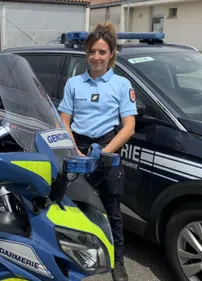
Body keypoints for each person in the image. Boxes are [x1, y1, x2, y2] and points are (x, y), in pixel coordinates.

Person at [57, 22, 137, 281]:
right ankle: (74, 257)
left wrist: (100, 155)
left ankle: (118, 263)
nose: (96, 57)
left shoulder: (122, 85)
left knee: (112, 210)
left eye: (102, 52)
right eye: (92, 51)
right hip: (77, 150)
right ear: (86, 53)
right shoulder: (74, 84)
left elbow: (128, 128)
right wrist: (76, 152)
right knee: (71, 207)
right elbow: (64, 122)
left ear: (111, 53)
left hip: (107, 152)